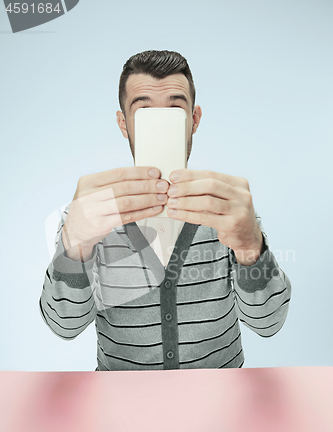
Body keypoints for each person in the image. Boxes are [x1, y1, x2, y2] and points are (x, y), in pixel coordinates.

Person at [39, 50, 291, 371]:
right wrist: (74, 247)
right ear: (123, 123)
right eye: (144, 111)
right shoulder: (89, 215)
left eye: (175, 109)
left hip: (221, 401)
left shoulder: (227, 210)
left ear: (194, 119)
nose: (160, 124)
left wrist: (250, 247)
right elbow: (64, 326)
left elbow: (268, 323)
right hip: (122, 404)